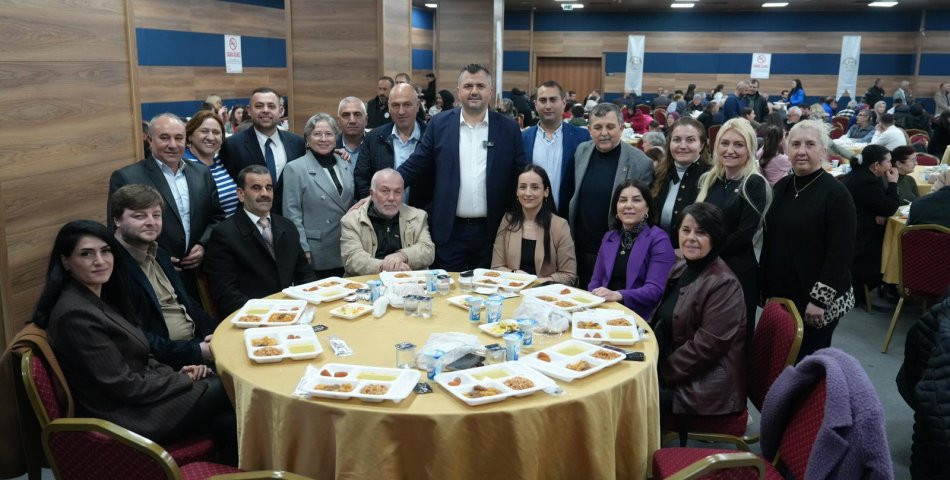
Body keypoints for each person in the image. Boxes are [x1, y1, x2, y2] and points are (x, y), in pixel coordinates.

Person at [32, 220, 236, 465]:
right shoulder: (75, 314)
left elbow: (140, 355)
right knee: (232, 387)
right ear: (65, 261)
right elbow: (123, 385)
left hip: (143, 396)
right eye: (86, 254)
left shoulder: (98, 295)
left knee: (228, 419)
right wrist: (181, 379)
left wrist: (176, 373)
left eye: (105, 251)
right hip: (129, 416)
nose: (100, 260)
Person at [397, 63, 529, 271]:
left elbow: (522, 173)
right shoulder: (439, 124)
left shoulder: (508, 128)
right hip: (449, 232)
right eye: (468, 86)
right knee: (448, 289)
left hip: (494, 233)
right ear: (459, 91)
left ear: (490, 91)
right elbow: (415, 164)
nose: (474, 91)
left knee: (490, 289)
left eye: (480, 86)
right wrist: (382, 188)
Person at [762, 119, 856, 361]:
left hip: (816, 300)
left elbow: (841, 253)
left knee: (805, 364)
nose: (801, 151)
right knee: (778, 361)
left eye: (810, 144)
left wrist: (819, 300)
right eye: (795, 144)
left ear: (823, 150)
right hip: (784, 293)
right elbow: (773, 241)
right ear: (787, 149)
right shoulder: (782, 186)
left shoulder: (837, 194)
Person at [108, 113, 224, 300]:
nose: (173, 144)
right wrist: (153, 257)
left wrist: (203, 244)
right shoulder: (127, 177)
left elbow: (216, 217)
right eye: (164, 137)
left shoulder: (202, 173)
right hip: (154, 275)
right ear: (150, 140)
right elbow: (117, 230)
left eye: (178, 138)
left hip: (199, 271)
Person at [654, 203, 747, 422]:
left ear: (715, 238)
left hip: (704, 388)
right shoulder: (681, 267)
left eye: (701, 232)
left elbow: (706, 348)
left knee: (630, 397)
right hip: (681, 370)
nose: (691, 238)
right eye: (686, 230)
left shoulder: (724, 284)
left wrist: (658, 372)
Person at [111, 185, 215, 370]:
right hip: (166, 364)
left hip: (197, 345)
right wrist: (197, 351)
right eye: (140, 216)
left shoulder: (160, 253)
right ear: (117, 220)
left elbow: (187, 302)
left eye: (156, 215)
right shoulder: (112, 267)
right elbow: (137, 336)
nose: (151, 222)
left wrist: (216, 335)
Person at [203, 165, 316, 316]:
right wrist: (270, 312)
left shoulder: (287, 226)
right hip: (253, 316)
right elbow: (226, 293)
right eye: (256, 188)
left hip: (296, 310)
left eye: (269, 188)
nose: (265, 194)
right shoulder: (224, 234)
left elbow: (305, 274)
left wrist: (308, 304)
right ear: (241, 194)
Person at [696, 118, 770, 336]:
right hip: (706, 269)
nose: (730, 150)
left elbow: (743, 235)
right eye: (725, 143)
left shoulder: (753, 184)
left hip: (736, 273)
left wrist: (702, 251)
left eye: (738, 144)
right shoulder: (709, 180)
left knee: (731, 339)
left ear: (750, 149)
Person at [569, 102, 654, 289]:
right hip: (581, 247)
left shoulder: (641, 162)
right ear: (589, 130)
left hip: (618, 252)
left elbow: (642, 213)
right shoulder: (582, 151)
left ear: (621, 129)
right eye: (598, 127)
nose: (604, 133)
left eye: (610, 127)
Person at [588, 179, 674, 320]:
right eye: (623, 200)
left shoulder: (659, 239)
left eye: (636, 200)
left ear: (647, 207)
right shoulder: (610, 237)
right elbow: (595, 282)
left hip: (638, 316)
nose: (628, 205)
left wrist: (619, 295)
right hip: (603, 310)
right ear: (616, 207)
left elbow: (655, 290)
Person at [283, 113, 355, 278]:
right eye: (317, 134)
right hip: (316, 251)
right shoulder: (295, 168)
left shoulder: (345, 163)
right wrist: (302, 248)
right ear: (307, 139)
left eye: (329, 134)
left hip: (347, 247)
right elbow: (292, 214)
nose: (323, 139)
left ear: (336, 138)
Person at [218, 87, 306, 216]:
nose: (265, 110)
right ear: (249, 111)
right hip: (250, 221)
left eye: (271, 106)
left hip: (290, 220)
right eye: (259, 106)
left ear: (281, 111)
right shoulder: (232, 146)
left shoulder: (297, 143)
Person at [491, 165, 577, 286]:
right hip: (510, 290)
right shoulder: (508, 221)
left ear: (546, 192)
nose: (527, 193)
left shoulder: (560, 225)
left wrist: (534, 282)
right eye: (522, 187)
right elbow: (496, 267)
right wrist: (515, 274)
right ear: (517, 191)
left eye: (535, 187)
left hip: (545, 293)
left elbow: (569, 275)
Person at [340, 169, 434, 275]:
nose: (392, 198)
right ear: (372, 194)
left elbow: (428, 251)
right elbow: (352, 259)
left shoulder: (418, 216)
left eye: (397, 192)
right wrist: (386, 266)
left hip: (408, 280)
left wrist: (402, 256)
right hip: (368, 281)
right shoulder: (351, 220)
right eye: (385, 191)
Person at [354, 83, 431, 208]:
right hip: (381, 214)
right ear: (389, 107)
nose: (401, 111)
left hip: (424, 215)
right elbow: (362, 178)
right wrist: (373, 208)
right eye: (395, 105)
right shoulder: (373, 138)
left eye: (407, 104)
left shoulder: (432, 138)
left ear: (417, 106)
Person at [522, 81, 591, 215]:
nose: (548, 106)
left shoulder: (582, 137)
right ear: (536, 104)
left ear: (564, 103)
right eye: (543, 100)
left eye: (553, 100)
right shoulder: (523, 139)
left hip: (568, 217)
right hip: (531, 217)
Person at [842, 144, 900, 300]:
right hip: (858, 237)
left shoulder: (862, 174)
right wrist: (893, 183)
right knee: (895, 243)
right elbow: (890, 207)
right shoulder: (866, 181)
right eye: (888, 161)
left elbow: (880, 203)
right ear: (876, 165)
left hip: (853, 227)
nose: (891, 165)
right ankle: (890, 283)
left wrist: (880, 211)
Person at [652, 117, 711, 247]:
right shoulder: (659, 173)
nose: (682, 146)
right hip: (658, 250)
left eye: (690, 140)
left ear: (701, 145)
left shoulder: (711, 177)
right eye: (677, 140)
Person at [183, 110, 239, 217]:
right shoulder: (182, 165)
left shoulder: (223, 161)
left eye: (216, 132)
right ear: (190, 135)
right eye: (204, 131)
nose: (211, 137)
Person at [335, 97, 367, 165]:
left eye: (357, 114)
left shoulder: (378, 145)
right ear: (338, 121)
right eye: (346, 115)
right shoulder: (330, 147)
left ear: (366, 119)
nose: (352, 121)